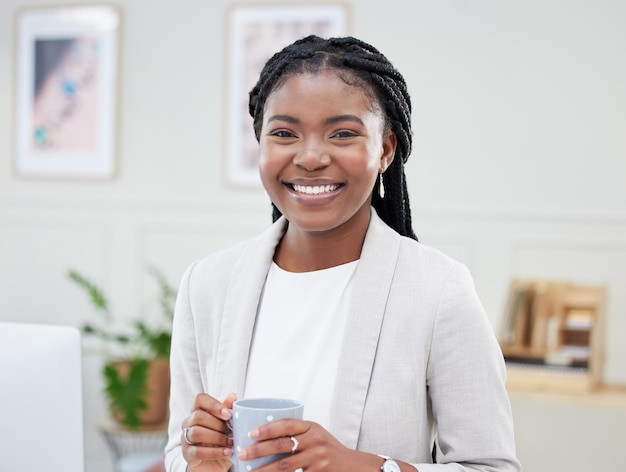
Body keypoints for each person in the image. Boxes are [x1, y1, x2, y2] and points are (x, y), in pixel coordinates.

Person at [164, 35, 521, 472]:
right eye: (284, 133)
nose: (311, 157)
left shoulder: (438, 289)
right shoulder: (207, 284)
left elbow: (492, 466)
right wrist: (197, 457)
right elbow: (177, 454)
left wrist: (369, 467)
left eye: (343, 133)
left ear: (385, 150)